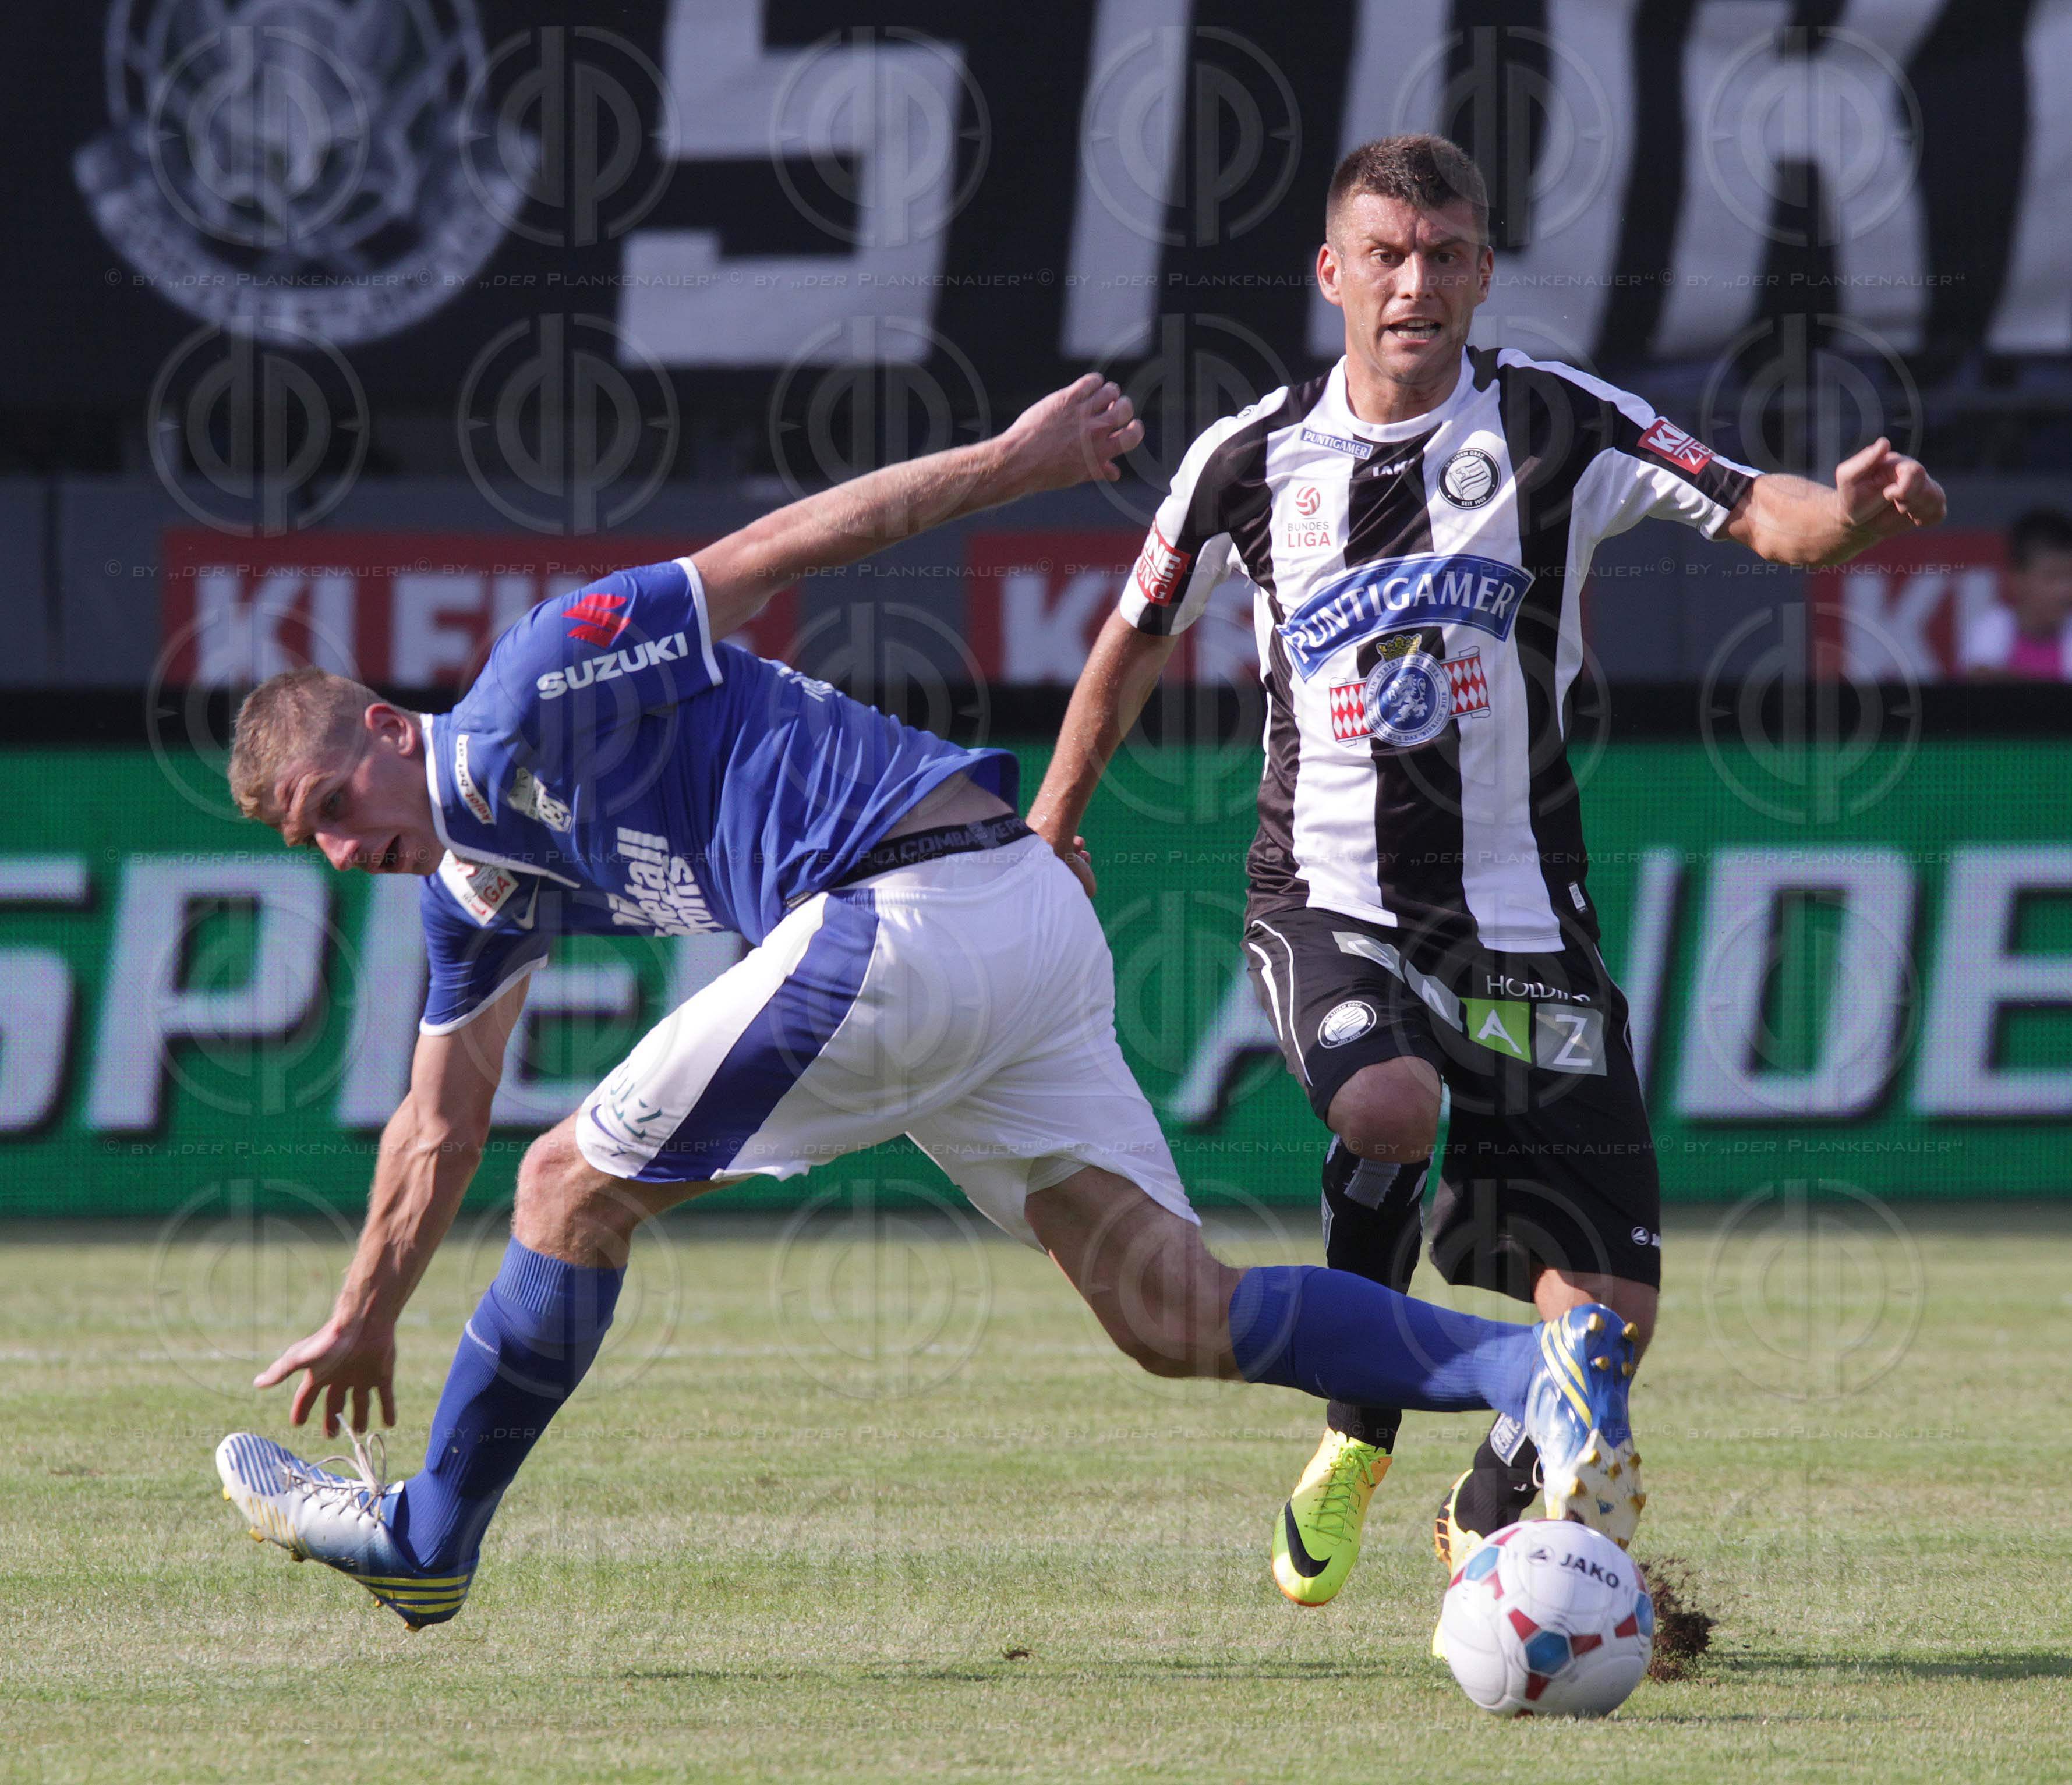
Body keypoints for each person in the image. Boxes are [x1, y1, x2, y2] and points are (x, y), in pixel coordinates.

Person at [212, 374, 1642, 1631]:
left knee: (563, 1187)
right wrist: (361, 1318)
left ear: (391, 730)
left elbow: (769, 553)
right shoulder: (474, 890)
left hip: (912, 902)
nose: (343, 846)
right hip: (1010, 930)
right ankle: (1532, 1371)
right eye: (311, 841)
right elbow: (429, 1125)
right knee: (1174, 1316)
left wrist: (1015, 463)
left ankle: (428, 1541)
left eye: (339, 802)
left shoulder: (533, 681)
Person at [1027, 134, 1946, 1620]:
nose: (1416, 282)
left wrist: (1847, 512)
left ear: (1482, 272)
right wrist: (1056, 820)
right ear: (1331, 272)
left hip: (1525, 924)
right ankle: (1357, 1421)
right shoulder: (1248, 458)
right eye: (1386, 253)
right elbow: (1132, 635)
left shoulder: (1557, 427)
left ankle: (1488, 1512)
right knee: (1388, 1101)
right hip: (1329, 900)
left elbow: (1752, 506)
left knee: (1610, 1329)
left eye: (1446, 253)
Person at [1964, 508, 2072, 680]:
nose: (2065, 591)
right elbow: (1980, 680)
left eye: (2070, 577)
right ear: (2017, 579)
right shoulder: (1991, 627)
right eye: (2052, 577)